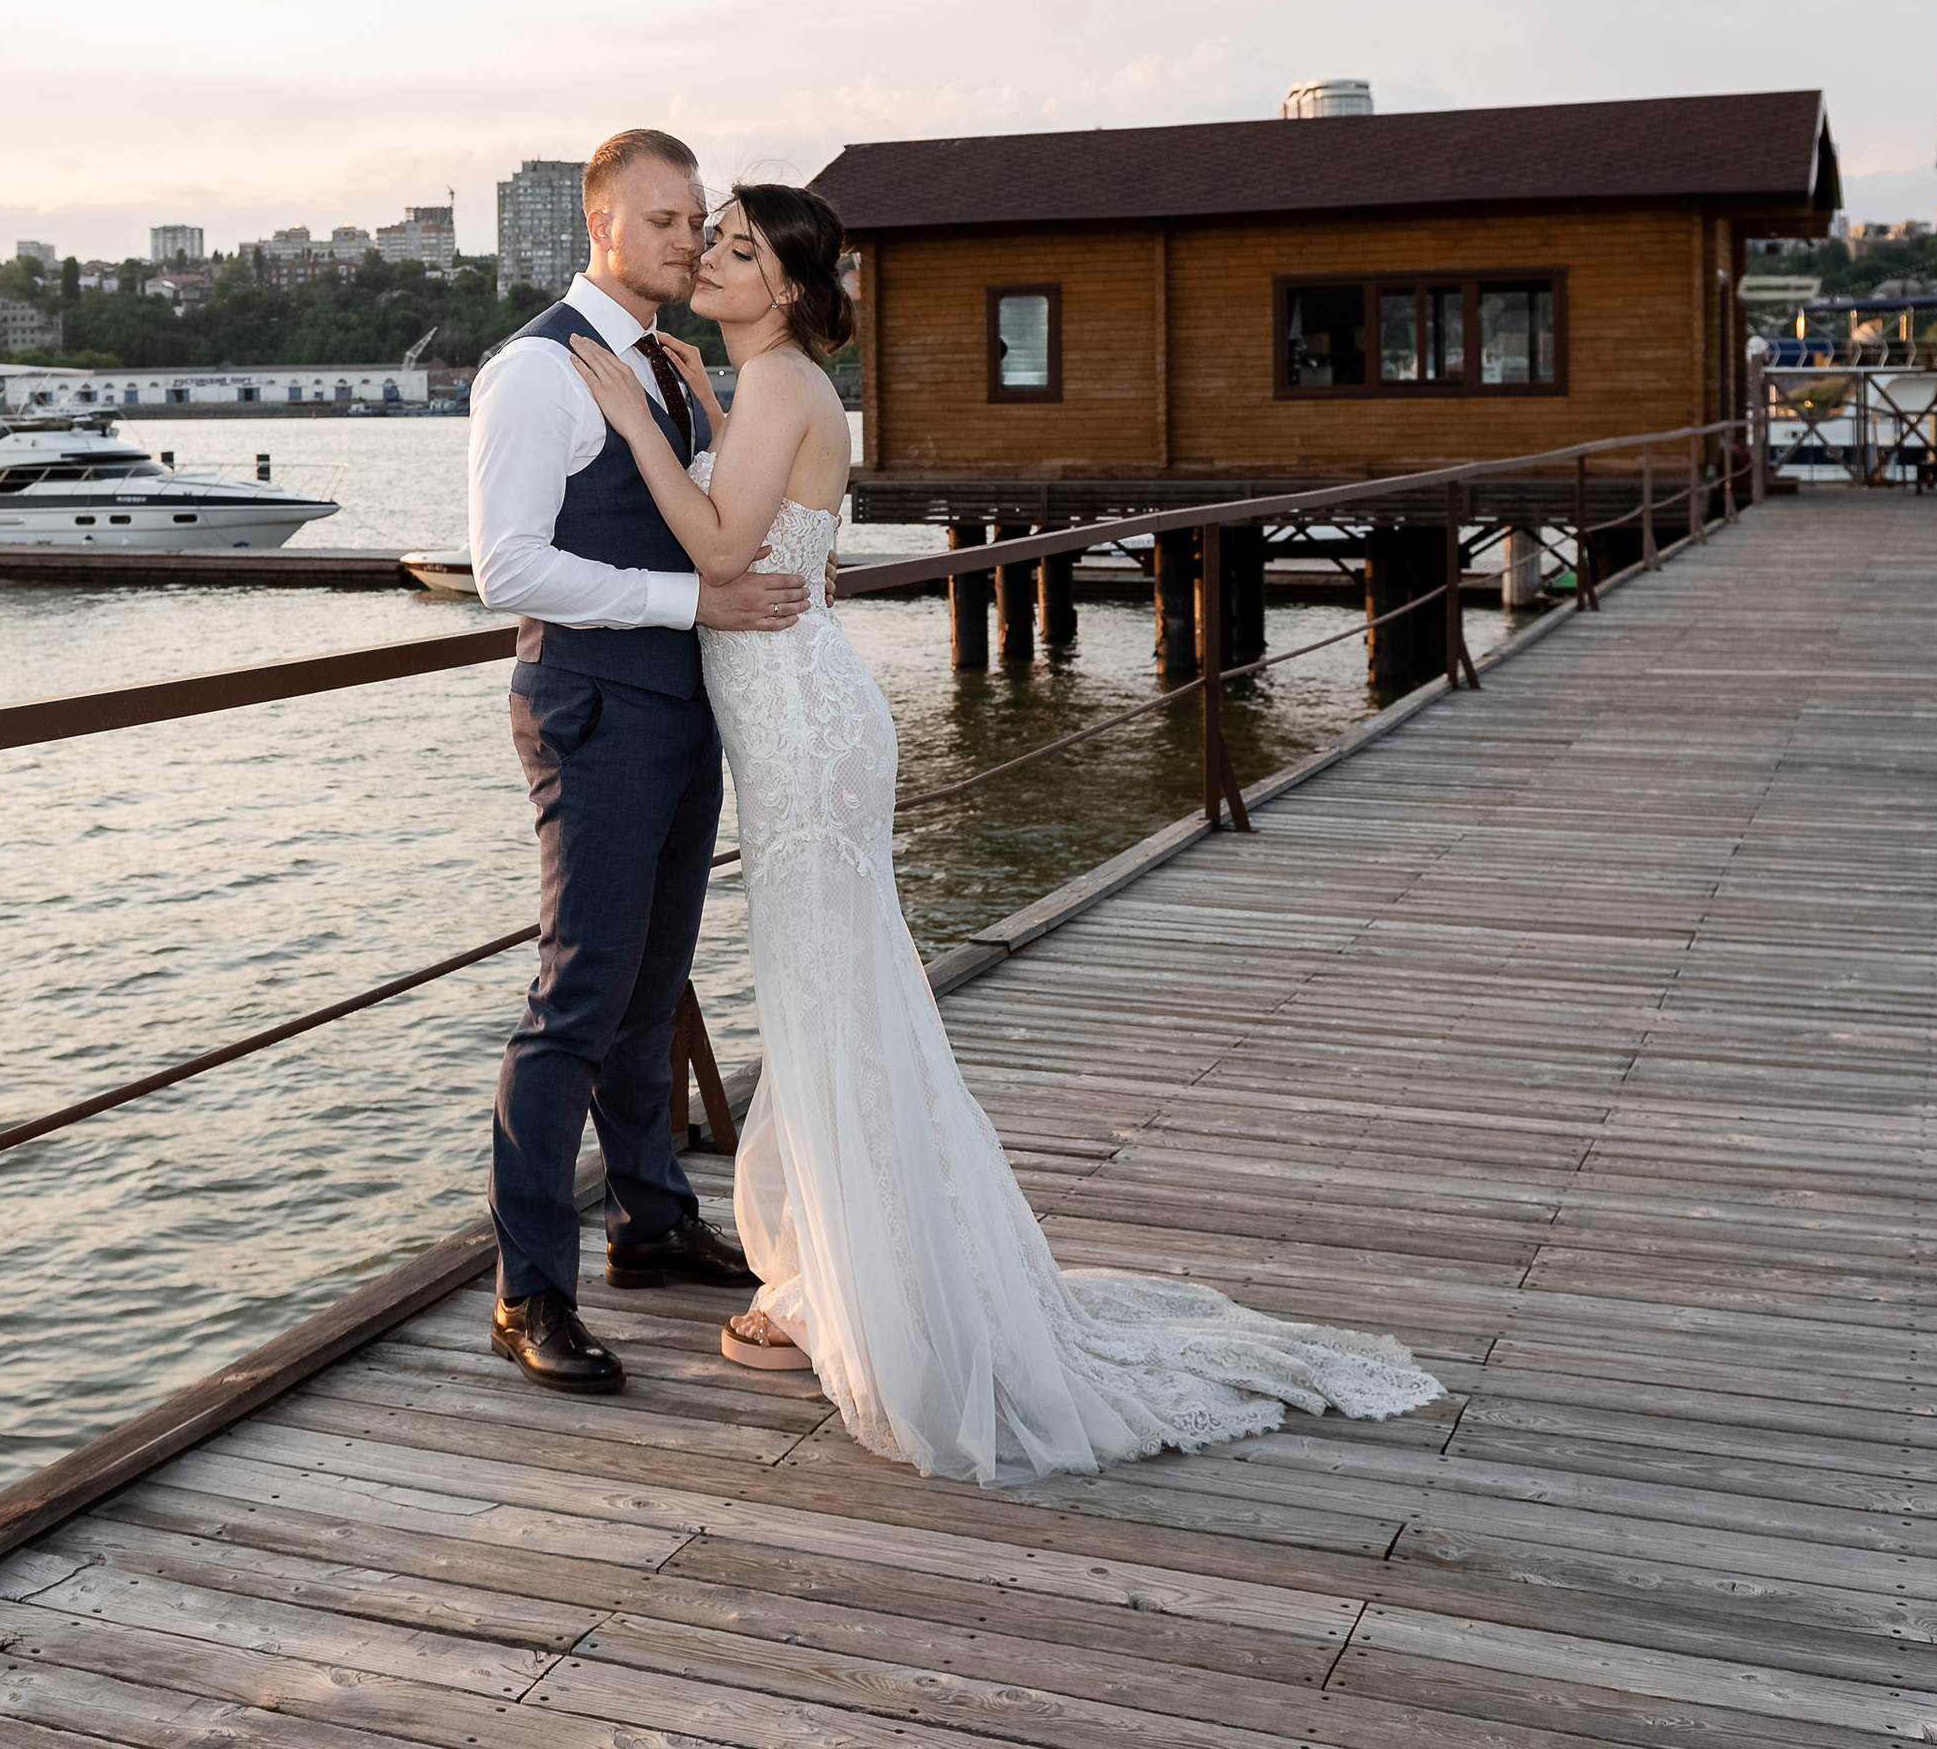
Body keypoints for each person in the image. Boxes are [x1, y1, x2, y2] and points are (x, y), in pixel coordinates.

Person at [565, 178, 1447, 1482]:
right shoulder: (772, 388)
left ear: (790, 291)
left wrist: (635, 422)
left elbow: (715, 541)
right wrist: (694, 404)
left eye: (739, 248)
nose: (710, 255)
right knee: (833, 1006)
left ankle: (864, 1292)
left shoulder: (790, 389)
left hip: (806, 740)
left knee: (828, 1010)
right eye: (717, 237)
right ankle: (844, 1267)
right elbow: (759, 514)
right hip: (803, 721)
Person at [467, 128, 800, 1394]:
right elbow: (507, 566)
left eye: (696, 219)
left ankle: (651, 1221)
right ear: (599, 225)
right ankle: (527, 1291)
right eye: (664, 220)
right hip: (596, 707)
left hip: (679, 707)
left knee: (654, 984)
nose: (687, 240)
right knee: (575, 998)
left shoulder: (663, 360)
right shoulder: (538, 369)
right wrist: (689, 610)